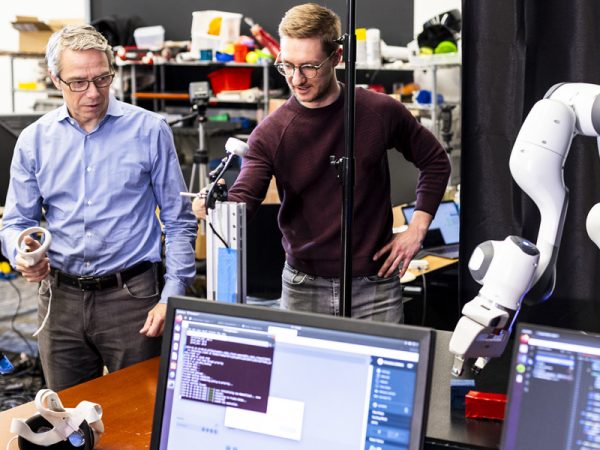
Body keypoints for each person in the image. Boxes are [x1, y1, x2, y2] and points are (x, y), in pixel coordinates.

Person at [193, 3, 450, 322]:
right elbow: (244, 200)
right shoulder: (272, 132)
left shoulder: (378, 112)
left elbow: (436, 161)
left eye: (309, 67)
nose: (296, 79)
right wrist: (216, 206)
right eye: (287, 66)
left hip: (376, 287)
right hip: (304, 288)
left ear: (337, 58)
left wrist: (417, 228)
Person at [0, 25, 197, 390]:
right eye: (78, 82)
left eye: (102, 79)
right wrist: (22, 252)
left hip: (133, 301)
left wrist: (174, 294)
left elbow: (179, 221)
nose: (93, 92)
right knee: (67, 422)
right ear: (55, 79)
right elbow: (15, 223)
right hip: (60, 302)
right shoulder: (34, 141)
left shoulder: (150, 131)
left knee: (141, 418)